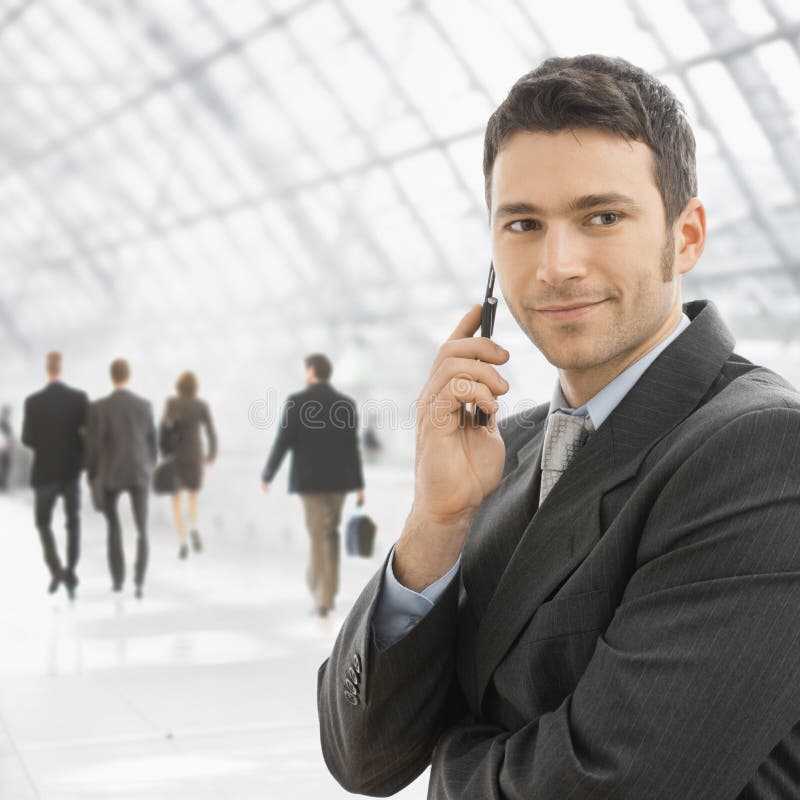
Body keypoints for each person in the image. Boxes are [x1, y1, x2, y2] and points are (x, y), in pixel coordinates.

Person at [317, 55, 800, 797]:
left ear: (689, 235)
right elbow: (366, 758)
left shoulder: (763, 451)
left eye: (601, 217)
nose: (557, 264)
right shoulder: (504, 454)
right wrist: (436, 522)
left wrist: (450, 766)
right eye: (523, 224)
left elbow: (614, 785)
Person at [262, 353, 365, 617]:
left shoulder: (297, 403)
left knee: (317, 535)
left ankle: (320, 594)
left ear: (310, 372)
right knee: (330, 533)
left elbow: (283, 442)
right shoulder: (346, 404)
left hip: (309, 482)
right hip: (340, 482)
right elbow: (352, 448)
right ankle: (327, 593)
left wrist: (268, 474)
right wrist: (359, 484)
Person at [86, 358, 156, 599]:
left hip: (110, 473)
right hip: (138, 473)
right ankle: (139, 581)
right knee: (142, 528)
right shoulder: (144, 406)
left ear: (112, 376)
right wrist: (149, 467)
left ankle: (118, 581)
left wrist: (92, 474)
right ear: (128, 375)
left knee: (113, 527)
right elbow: (152, 443)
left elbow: (93, 447)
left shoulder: (99, 408)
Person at [21, 352, 89, 598]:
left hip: (44, 473)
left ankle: (56, 569)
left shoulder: (33, 402)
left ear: (47, 370)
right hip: (71, 471)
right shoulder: (79, 399)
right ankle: (70, 571)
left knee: (43, 523)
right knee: (73, 522)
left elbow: (27, 439)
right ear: (61, 368)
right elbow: (87, 435)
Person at [160, 371, 217, 559]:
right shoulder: (201, 406)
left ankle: (183, 542)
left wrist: (164, 452)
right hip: (195, 455)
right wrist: (211, 455)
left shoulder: (172, 403)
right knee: (193, 497)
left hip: (176, 456)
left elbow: (163, 428)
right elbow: (210, 432)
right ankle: (194, 527)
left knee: (176, 499)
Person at [0, 405, 13, 490]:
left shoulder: (7, 424)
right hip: (3, 449)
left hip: (6, 449)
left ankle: (3, 485)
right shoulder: (3, 424)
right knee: (4, 467)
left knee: (6, 467)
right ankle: (2, 485)